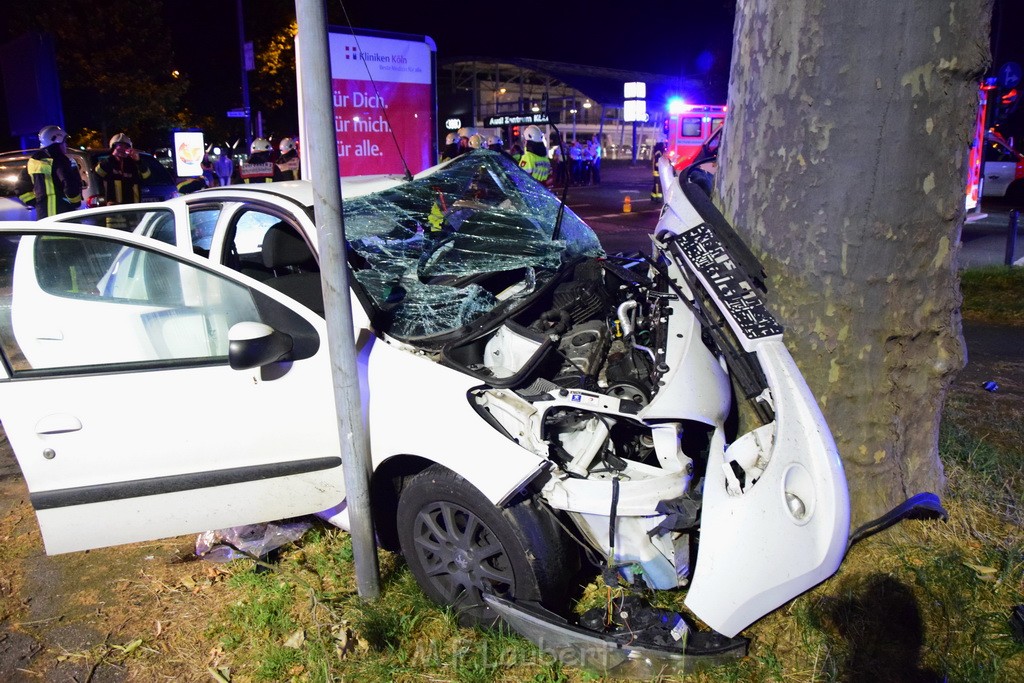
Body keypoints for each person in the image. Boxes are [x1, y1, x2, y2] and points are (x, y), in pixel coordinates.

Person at [15, 125, 83, 219]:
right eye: (64, 142)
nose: (66, 145)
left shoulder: (33, 161)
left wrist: (37, 202)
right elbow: (69, 185)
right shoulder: (60, 160)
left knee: (46, 234)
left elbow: (20, 188)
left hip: (43, 214)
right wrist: (75, 202)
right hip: (61, 212)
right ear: (57, 141)